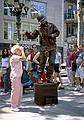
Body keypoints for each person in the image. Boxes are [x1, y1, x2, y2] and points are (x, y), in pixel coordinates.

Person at [25, 15, 60, 82]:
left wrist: (51, 35)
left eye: (43, 20)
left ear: (45, 19)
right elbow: (33, 36)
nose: (42, 22)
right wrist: (28, 35)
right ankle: (39, 78)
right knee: (42, 63)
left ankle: (49, 77)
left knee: (52, 62)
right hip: (43, 47)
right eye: (41, 21)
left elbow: (57, 32)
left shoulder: (51, 25)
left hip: (52, 47)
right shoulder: (39, 28)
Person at [10, 44, 26, 112]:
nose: (20, 51)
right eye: (19, 50)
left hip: (18, 76)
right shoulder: (14, 57)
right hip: (16, 76)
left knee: (19, 91)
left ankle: (17, 104)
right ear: (15, 51)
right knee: (16, 91)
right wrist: (22, 50)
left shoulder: (16, 57)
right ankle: (13, 106)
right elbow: (24, 58)